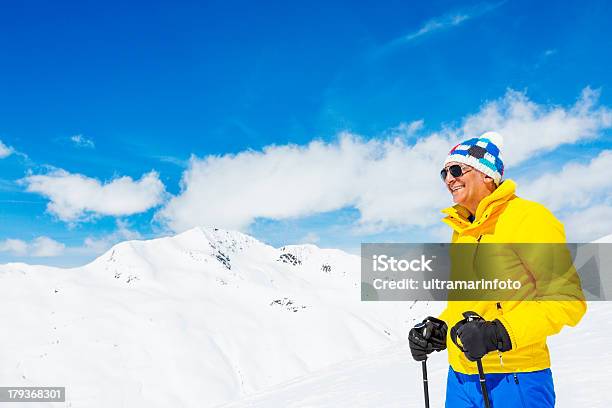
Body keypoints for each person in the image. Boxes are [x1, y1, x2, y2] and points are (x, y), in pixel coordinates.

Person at [408, 131, 586, 407]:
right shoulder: (463, 232)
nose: (449, 179)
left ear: (487, 175)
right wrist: (441, 328)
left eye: (456, 169)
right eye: (444, 173)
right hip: (461, 379)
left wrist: (499, 333)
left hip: (515, 378)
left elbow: (567, 301)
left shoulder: (529, 218)